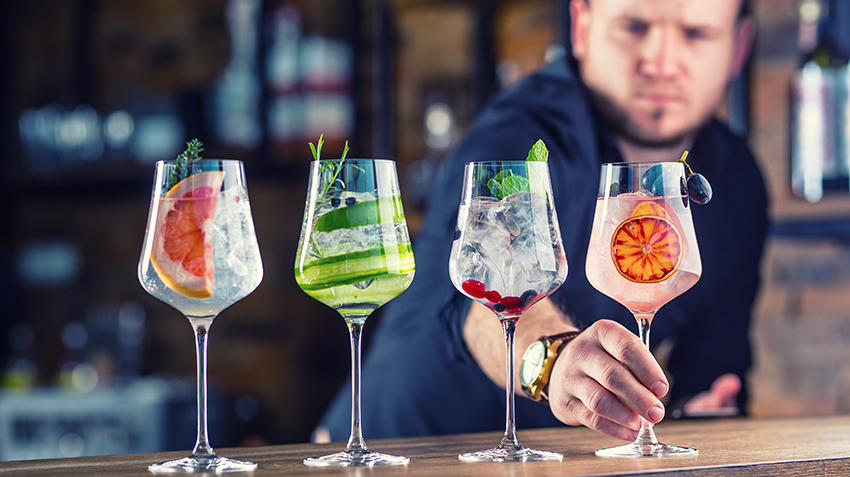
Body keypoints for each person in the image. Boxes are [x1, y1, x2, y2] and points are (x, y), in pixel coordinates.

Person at [316, 0, 767, 443]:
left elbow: (712, 369)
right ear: (582, 25)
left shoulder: (736, 179)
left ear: (738, 45)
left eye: (696, 34)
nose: (662, 62)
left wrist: (690, 412)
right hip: (391, 450)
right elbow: (473, 297)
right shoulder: (518, 136)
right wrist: (553, 358)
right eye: (633, 27)